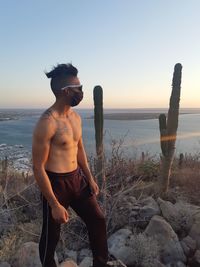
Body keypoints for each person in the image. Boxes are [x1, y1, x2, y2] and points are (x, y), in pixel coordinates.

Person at [32, 63, 108, 267]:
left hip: (77, 179)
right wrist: (54, 204)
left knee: (97, 220)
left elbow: (79, 149)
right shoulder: (47, 122)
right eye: (78, 87)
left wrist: (89, 178)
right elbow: (38, 167)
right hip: (56, 184)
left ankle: (101, 263)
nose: (81, 91)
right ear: (66, 91)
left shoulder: (75, 117)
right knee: (51, 235)